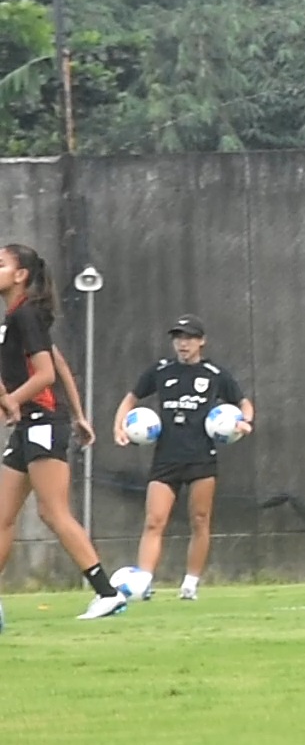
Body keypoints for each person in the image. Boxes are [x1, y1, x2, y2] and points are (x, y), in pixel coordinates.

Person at [0, 243, 126, 625]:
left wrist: (12, 401)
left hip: (42, 423)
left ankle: (108, 593)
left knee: (53, 512)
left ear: (20, 275)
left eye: (0, 264)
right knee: (3, 516)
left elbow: (46, 375)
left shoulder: (26, 316)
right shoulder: (17, 317)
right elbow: (60, 364)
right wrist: (80, 415)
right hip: (29, 424)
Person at [110, 314, 254, 600]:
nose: (182, 343)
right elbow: (131, 398)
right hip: (166, 458)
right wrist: (119, 426)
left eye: (189, 338)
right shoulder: (161, 370)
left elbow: (244, 403)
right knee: (154, 520)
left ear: (202, 341)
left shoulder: (215, 374)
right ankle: (143, 583)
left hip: (201, 458)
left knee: (200, 520)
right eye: (178, 338)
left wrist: (244, 422)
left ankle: (190, 584)